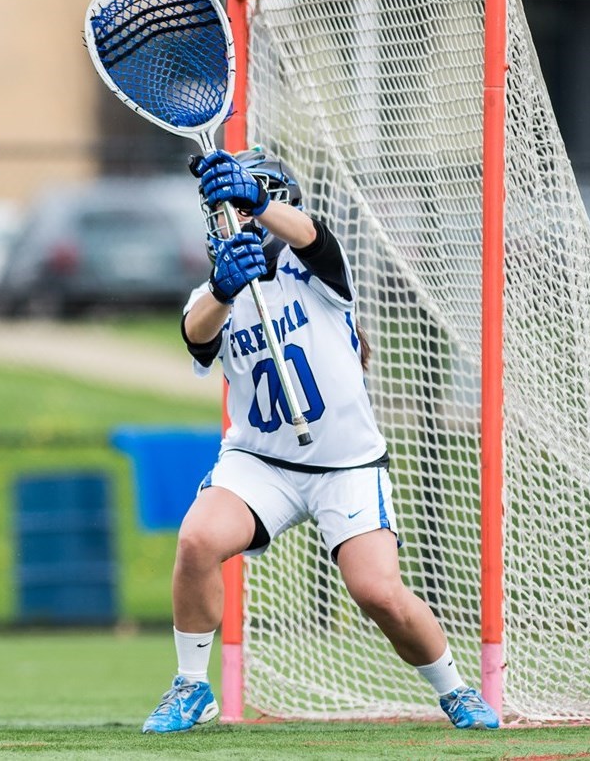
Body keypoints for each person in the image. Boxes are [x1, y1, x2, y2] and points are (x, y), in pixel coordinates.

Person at [140, 149, 501, 734]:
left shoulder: (317, 271)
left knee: (378, 593)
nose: (232, 218)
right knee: (197, 539)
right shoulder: (215, 293)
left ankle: (454, 689)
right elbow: (195, 334)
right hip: (261, 462)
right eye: (224, 208)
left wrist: (258, 201)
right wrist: (224, 290)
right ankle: (190, 686)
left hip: (346, 465)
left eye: (242, 205)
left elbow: (313, 237)